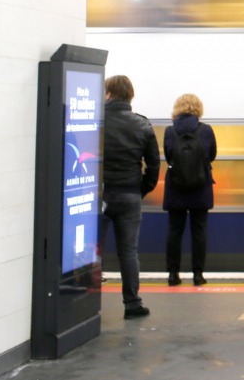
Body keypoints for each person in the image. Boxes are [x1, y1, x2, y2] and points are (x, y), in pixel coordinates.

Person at [100, 75, 160, 319]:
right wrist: (141, 189)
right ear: (130, 96)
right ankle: (132, 304)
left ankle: (83, 306)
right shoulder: (142, 124)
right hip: (129, 196)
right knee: (128, 252)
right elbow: (154, 165)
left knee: (90, 251)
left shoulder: (96, 122)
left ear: (108, 94)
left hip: (98, 197)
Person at [162, 93, 216, 287]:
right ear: (198, 109)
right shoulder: (206, 130)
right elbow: (211, 155)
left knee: (174, 230)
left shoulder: (169, 131)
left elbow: (169, 157)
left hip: (175, 187)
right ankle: (198, 275)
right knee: (198, 231)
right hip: (200, 187)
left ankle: (173, 274)